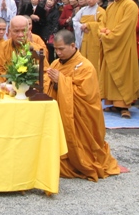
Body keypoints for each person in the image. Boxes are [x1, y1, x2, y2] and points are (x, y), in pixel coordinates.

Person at [44, 30, 120, 181]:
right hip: (61, 116)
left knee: (85, 155)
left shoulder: (86, 67)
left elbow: (86, 97)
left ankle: (79, 157)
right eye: (56, 49)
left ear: (72, 45)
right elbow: (47, 84)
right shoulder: (55, 63)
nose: (58, 53)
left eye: (61, 49)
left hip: (79, 120)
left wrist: (62, 81)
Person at [99, 0, 139, 119]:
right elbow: (103, 23)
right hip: (111, 45)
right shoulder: (111, 6)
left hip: (123, 45)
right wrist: (103, 31)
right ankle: (113, 102)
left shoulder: (130, 6)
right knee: (110, 74)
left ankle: (124, 105)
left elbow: (124, 27)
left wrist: (108, 34)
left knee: (124, 74)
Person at [0, 16, 44, 85]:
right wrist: (7, 83)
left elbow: (44, 74)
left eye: (23, 31)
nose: (20, 35)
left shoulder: (36, 49)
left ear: (28, 30)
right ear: (10, 31)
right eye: (16, 31)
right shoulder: (2, 48)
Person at [71, 0, 105, 74]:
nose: (89, 0)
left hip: (94, 41)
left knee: (93, 61)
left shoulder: (101, 11)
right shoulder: (83, 10)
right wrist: (81, 27)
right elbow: (75, 20)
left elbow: (102, 25)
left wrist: (89, 25)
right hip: (83, 38)